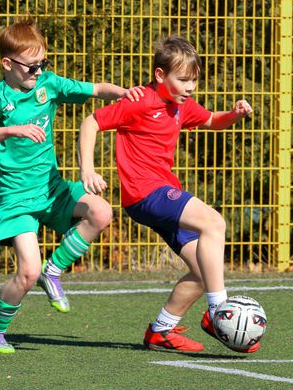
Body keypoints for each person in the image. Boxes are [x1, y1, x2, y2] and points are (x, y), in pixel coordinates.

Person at [0, 17, 143, 353]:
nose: (38, 72)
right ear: (7, 64)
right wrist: (13, 130)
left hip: (53, 190)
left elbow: (95, 89)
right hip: (18, 199)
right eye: (31, 66)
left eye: (43, 64)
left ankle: (54, 270)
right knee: (26, 273)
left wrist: (125, 93)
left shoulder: (48, 84)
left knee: (101, 212)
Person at [78, 35, 257, 352]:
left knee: (204, 270)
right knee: (214, 223)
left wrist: (234, 115)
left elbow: (211, 120)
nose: (191, 87)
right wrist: (87, 169)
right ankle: (220, 311)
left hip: (161, 192)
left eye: (194, 80)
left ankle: (161, 331)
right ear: (160, 75)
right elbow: (91, 122)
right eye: (184, 80)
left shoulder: (180, 105)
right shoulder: (139, 101)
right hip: (145, 193)